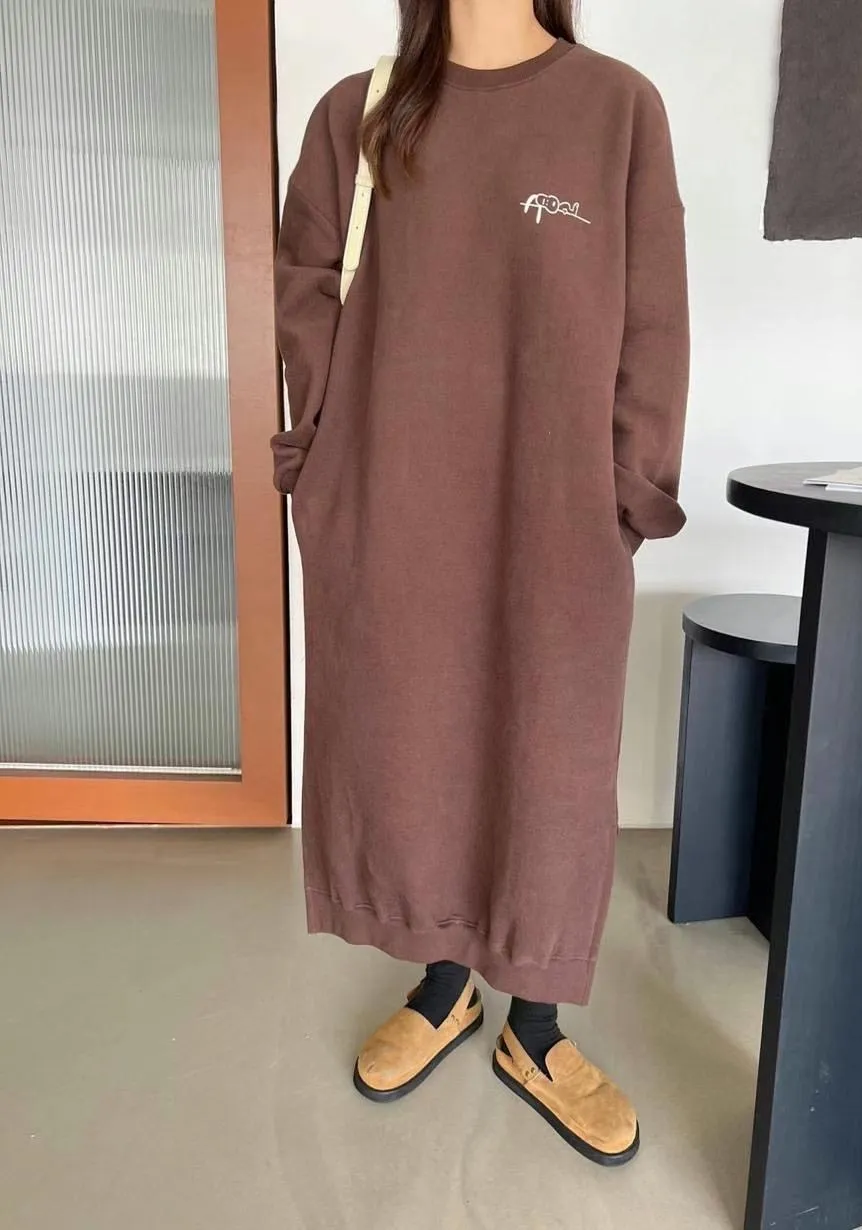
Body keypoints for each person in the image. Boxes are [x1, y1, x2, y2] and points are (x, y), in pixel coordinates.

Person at [272, 0, 688, 1167]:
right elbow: (303, 295)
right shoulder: (355, 115)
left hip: (554, 505)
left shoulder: (615, 109)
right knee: (411, 740)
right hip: (390, 498)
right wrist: (320, 461)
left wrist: (627, 491)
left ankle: (535, 1027)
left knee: (549, 754)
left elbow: (654, 320)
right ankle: (445, 983)